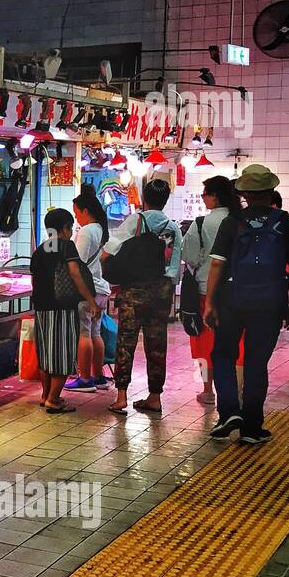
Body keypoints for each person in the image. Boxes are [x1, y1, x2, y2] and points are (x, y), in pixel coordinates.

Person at [203, 164, 289, 444]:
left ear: (245, 193)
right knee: (256, 361)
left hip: (232, 299)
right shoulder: (288, 223)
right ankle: (252, 426)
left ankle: (228, 412)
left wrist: (210, 303)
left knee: (223, 355)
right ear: (272, 191)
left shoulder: (233, 221)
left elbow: (216, 265)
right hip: (270, 302)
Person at [103, 177, 183, 416]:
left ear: (145, 199)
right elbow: (175, 267)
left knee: (126, 342)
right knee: (157, 343)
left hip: (134, 291)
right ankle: (155, 397)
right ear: (166, 200)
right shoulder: (173, 227)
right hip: (161, 292)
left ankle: (121, 397)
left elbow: (108, 252)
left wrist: (115, 274)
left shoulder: (134, 222)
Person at [180, 176, 244, 406]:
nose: (203, 198)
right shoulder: (241, 220)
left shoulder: (201, 224)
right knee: (238, 340)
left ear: (214, 196)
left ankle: (207, 390)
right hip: (238, 290)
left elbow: (189, 257)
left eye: (205, 194)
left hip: (205, 290)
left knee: (203, 342)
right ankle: (237, 391)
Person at [32, 208, 100, 412]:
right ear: (64, 228)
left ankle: (45, 396)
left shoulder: (41, 249)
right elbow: (75, 274)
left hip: (41, 307)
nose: (71, 232)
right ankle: (54, 399)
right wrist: (91, 300)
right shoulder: (66, 247)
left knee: (46, 353)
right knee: (62, 354)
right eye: (70, 228)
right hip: (62, 307)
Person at [65, 186, 111, 394]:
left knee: (84, 333)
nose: (76, 219)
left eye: (77, 214)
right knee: (95, 332)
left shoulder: (86, 231)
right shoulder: (100, 228)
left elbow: (78, 264)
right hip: (100, 288)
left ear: (85, 211)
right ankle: (99, 376)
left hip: (88, 290)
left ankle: (85, 379)